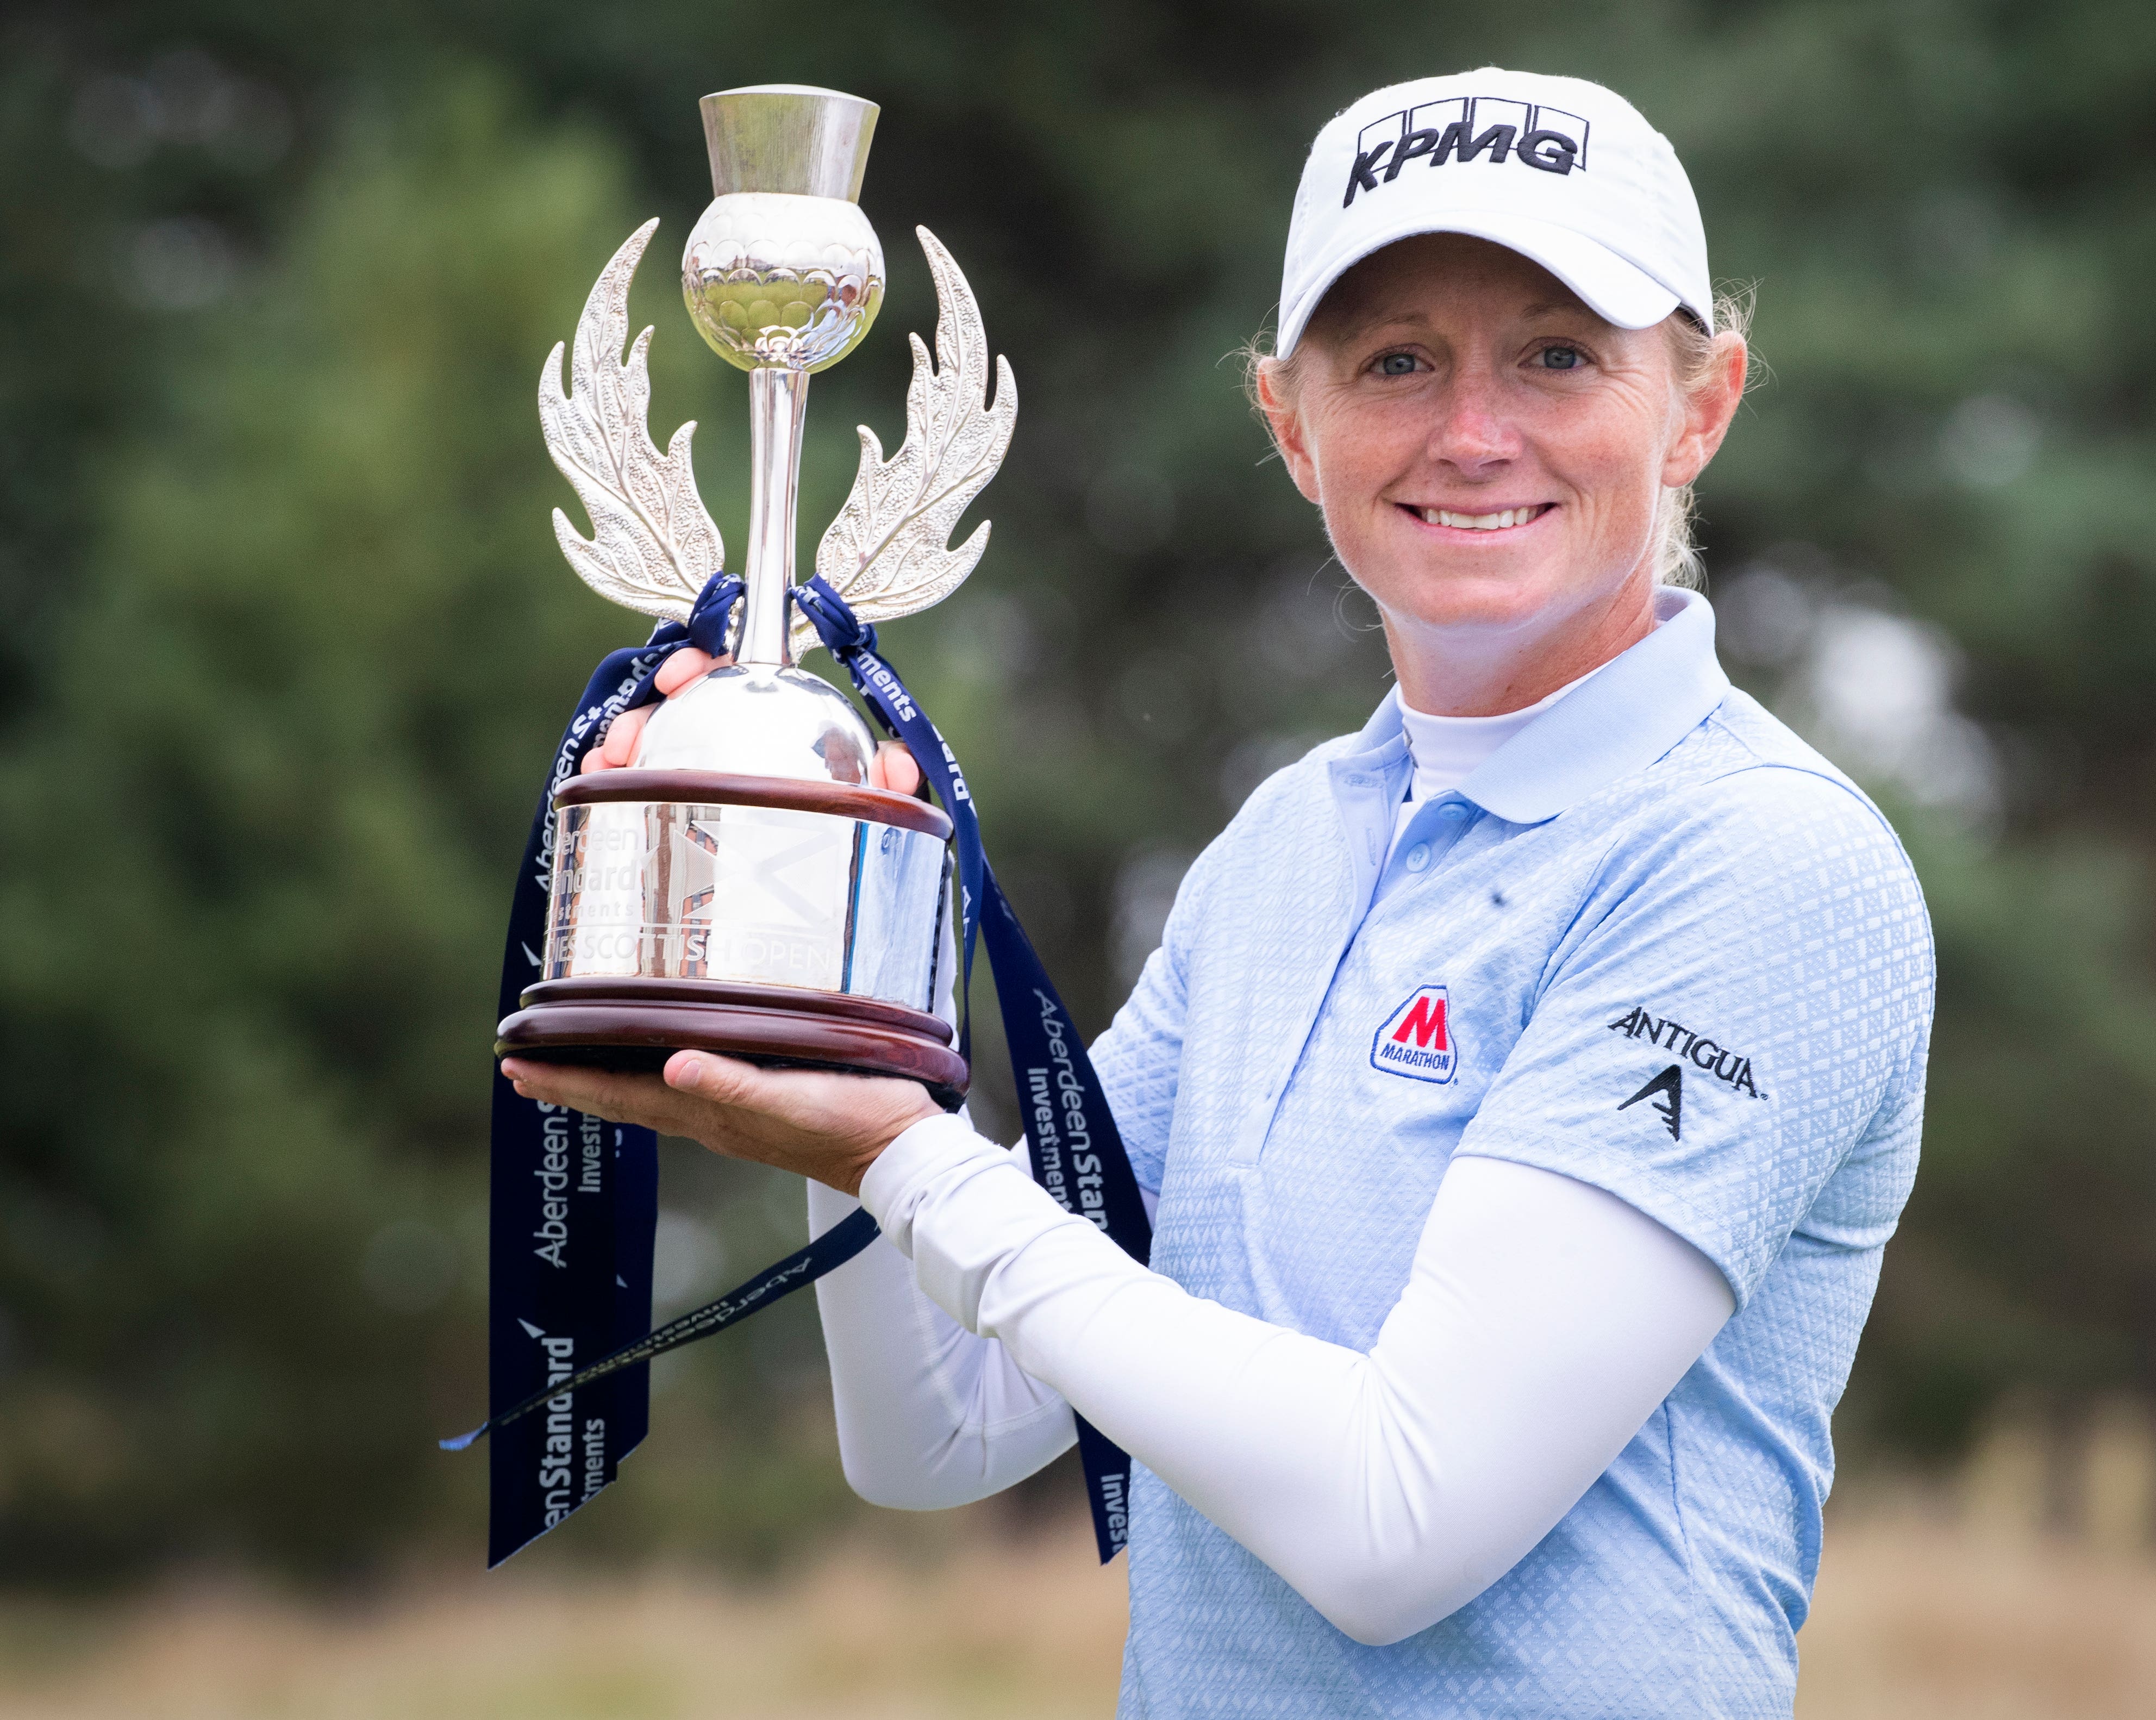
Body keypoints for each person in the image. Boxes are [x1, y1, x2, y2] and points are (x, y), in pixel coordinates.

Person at [507, 67, 1935, 1719]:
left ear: (1700, 404)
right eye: (1394, 360)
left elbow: (1398, 1519)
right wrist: (856, 1017)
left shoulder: (1761, 861)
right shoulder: (1285, 841)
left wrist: (901, 1154)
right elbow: (946, 1424)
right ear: (1287, 422)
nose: (1473, 433)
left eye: (1556, 353)